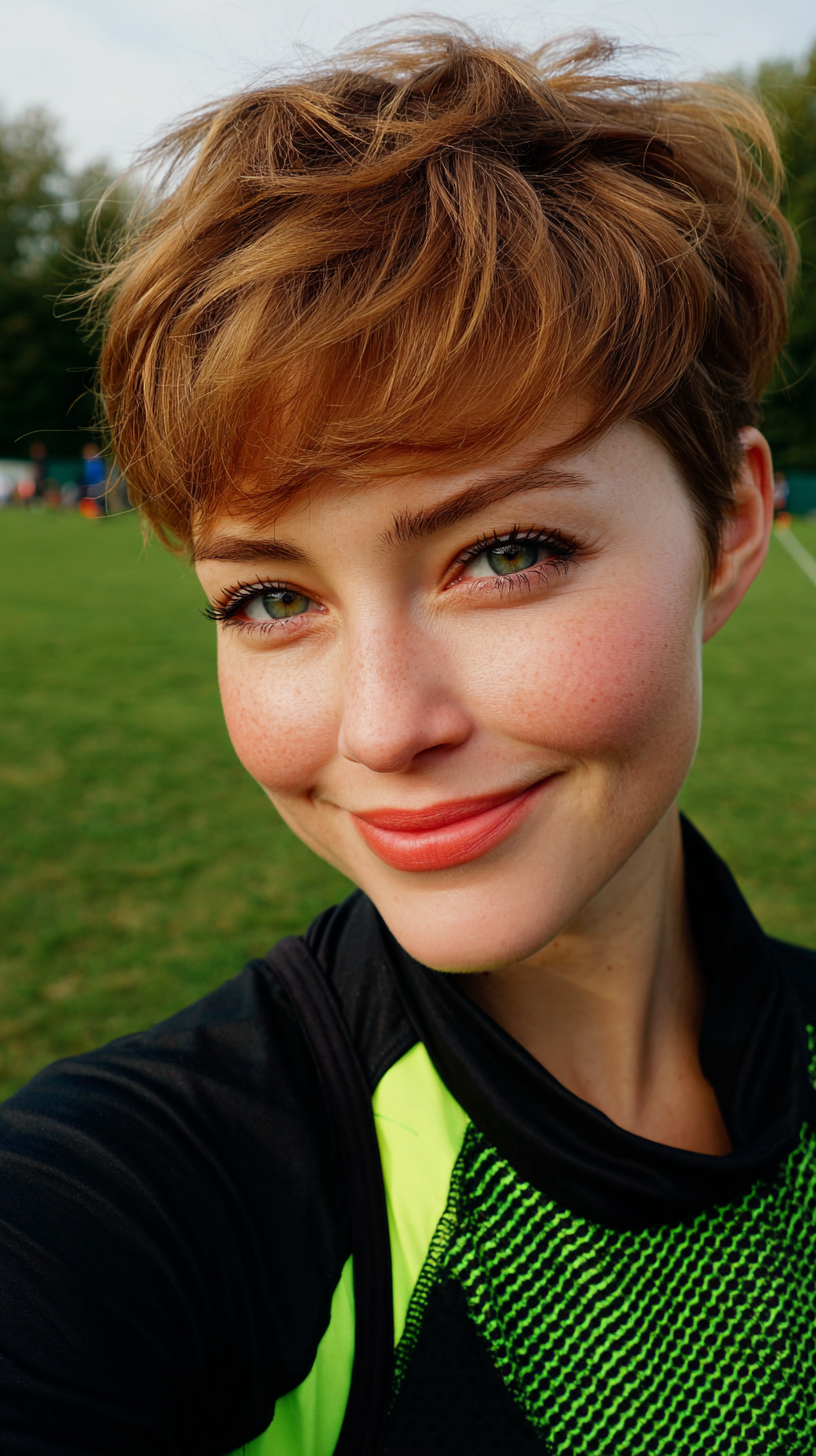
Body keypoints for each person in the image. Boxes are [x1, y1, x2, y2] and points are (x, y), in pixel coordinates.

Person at [2, 27, 814, 1456]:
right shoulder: (150, 1195)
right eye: (268, 597)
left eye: (505, 551)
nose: (383, 726)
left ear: (732, 528)